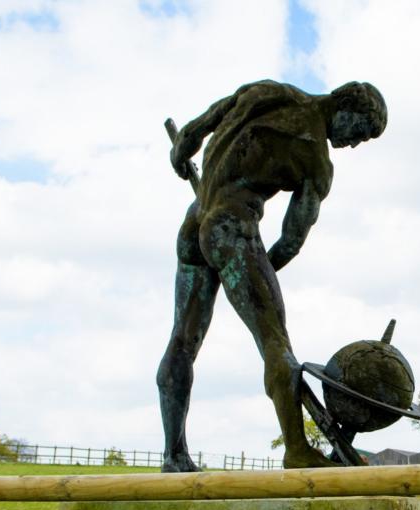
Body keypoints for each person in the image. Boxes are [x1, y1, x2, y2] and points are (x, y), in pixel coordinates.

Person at [157, 79, 387, 472]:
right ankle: (297, 450)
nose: (352, 144)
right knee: (277, 344)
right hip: (233, 228)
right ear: (347, 107)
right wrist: (254, 273)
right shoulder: (316, 160)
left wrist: (182, 150)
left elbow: (205, 122)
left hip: (196, 222)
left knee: (182, 341)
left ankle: (173, 455)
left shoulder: (269, 92)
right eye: (360, 133)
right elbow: (291, 241)